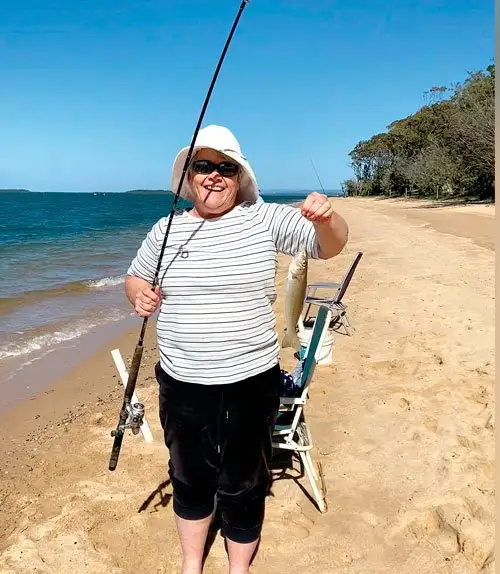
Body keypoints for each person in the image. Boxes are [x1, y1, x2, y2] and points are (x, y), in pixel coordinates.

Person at [124, 125, 349, 574]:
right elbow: (135, 277)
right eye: (202, 166)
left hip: (252, 379)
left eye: (225, 167)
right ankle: (192, 562)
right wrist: (138, 295)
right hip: (182, 380)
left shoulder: (264, 218)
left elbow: (331, 246)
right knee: (188, 475)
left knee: (245, 479)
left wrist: (326, 219)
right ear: (189, 177)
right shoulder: (164, 229)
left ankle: (238, 567)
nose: (213, 175)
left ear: (239, 176)